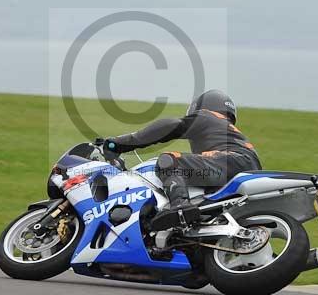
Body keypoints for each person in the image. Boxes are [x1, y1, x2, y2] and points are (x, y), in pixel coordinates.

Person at [103, 89, 262, 230]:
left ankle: (179, 205)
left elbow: (171, 126)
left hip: (230, 162)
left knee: (170, 160)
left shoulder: (207, 116)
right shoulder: (227, 131)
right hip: (247, 170)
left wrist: (122, 143)